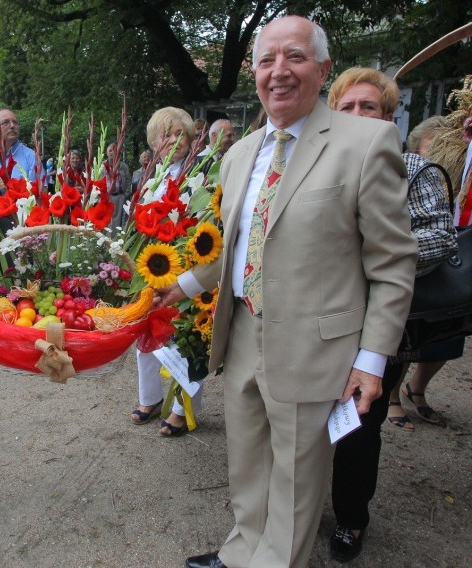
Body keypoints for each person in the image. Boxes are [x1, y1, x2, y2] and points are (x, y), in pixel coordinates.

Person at [152, 17, 417, 568]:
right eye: (267, 60)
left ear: (322, 69)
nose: (279, 72)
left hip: (316, 348)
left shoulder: (366, 142)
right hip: (245, 333)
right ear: (254, 73)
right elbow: (231, 251)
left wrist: (371, 362)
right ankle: (243, 549)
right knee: (247, 463)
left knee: (296, 479)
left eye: (294, 57)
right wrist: (169, 289)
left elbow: (393, 263)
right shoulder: (239, 153)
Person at [326, 67, 458, 562]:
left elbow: (438, 237)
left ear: (389, 117)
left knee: (359, 425)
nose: (359, 116)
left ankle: (350, 518)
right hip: (319, 319)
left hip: (380, 324)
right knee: (308, 418)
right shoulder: (319, 164)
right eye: (348, 107)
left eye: (370, 107)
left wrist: (366, 255)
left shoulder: (412, 170)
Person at [386, 115, 464, 433]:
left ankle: (415, 388)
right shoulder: (406, 165)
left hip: (422, 273)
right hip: (395, 282)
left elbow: (441, 235)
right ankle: (394, 395)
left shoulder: (422, 171)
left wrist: (378, 248)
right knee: (401, 341)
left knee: (436, 336)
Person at [132, 107, 204, 437]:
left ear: (191, 140)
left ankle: (181, 409)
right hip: (151, 265)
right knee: (145, 330)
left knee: (183, 338)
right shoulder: (148, 176)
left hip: (184, 268)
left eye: (180, 134)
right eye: (167, 134)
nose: (174, 141)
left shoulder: (199, 175)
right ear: (154, 140)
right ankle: (149, 398)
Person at [104, 142, 131, 234]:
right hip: (106, 197)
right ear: (107, 153)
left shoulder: (123, 166)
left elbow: (128, 181)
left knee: (117, 222)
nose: (112, 152)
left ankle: (115, 242)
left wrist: (125, 195)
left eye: (114, 150)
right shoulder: (102, 165)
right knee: (106, 221)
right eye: (110, 150)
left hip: (119, 197)